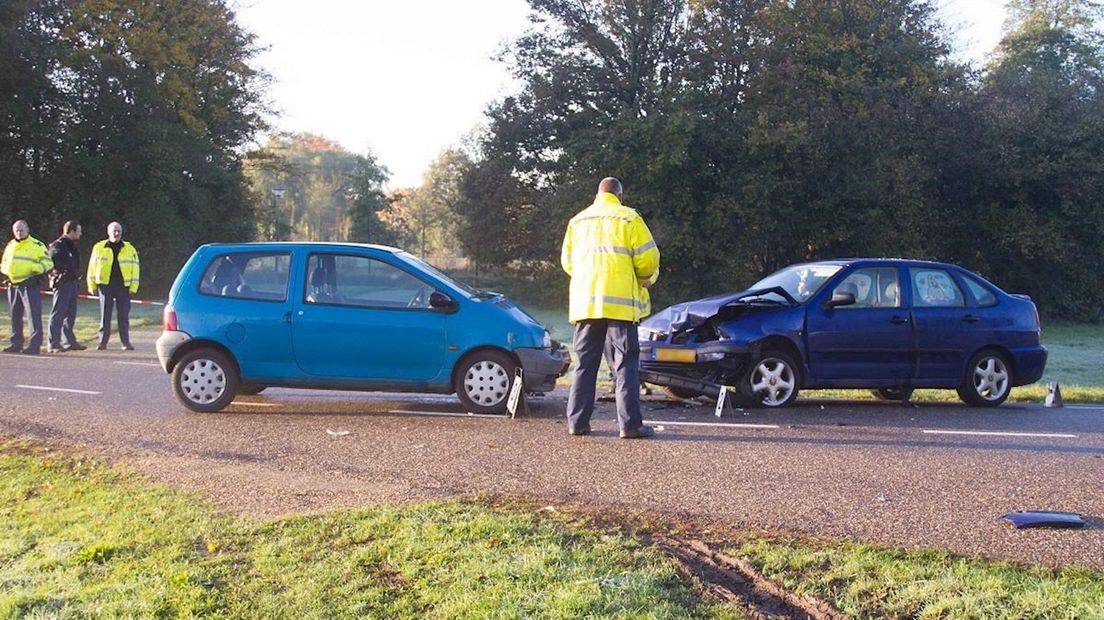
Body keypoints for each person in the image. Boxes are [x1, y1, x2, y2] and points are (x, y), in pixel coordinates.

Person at [561, 177, 660, 439]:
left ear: (598, 194)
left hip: (586, 305)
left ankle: (577, 423)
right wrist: (643, 279)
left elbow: (568, 263)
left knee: (584, 363)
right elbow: (648, 260)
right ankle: (630, 425)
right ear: (620, 196)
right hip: (620, 306)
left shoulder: (577, 221)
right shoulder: (629, 219)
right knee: (626, 363)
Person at [1, 219, 54, 355]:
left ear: (27, 230)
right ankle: (16, 343)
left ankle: (34, 345)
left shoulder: (37, 245)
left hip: (29, 284)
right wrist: (6, 271)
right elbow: (4, 262)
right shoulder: (10, 245)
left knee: (33, 315)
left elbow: (48, 263)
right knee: (15, 315)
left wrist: (34, 268)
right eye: (16, 230)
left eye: (21, 230)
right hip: (13, 285)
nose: (19, 232)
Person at [87, 221, 140, 351]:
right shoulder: (99, 247)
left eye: (119, 231)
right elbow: (92, 267)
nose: (116, 234)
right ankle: (102, 342)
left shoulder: (129, 248)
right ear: (108, 232)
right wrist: (91, 285)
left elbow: (136, 268)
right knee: (105, 315)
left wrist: (134, 286)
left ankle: (125, 342)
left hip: (123, 285)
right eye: (114, 231)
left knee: (123, 315)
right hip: (105, 285)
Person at [47, 220, 86, 353]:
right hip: (62, 283)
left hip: (72, 283)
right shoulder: (58, 245)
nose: (81, 234)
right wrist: (64, 271)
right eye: (79, 231)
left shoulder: (72, 246)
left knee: (70, 314)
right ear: (72, 231)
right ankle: (53, 344)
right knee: (58, 313)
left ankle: (69, 342)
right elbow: (53, 261)